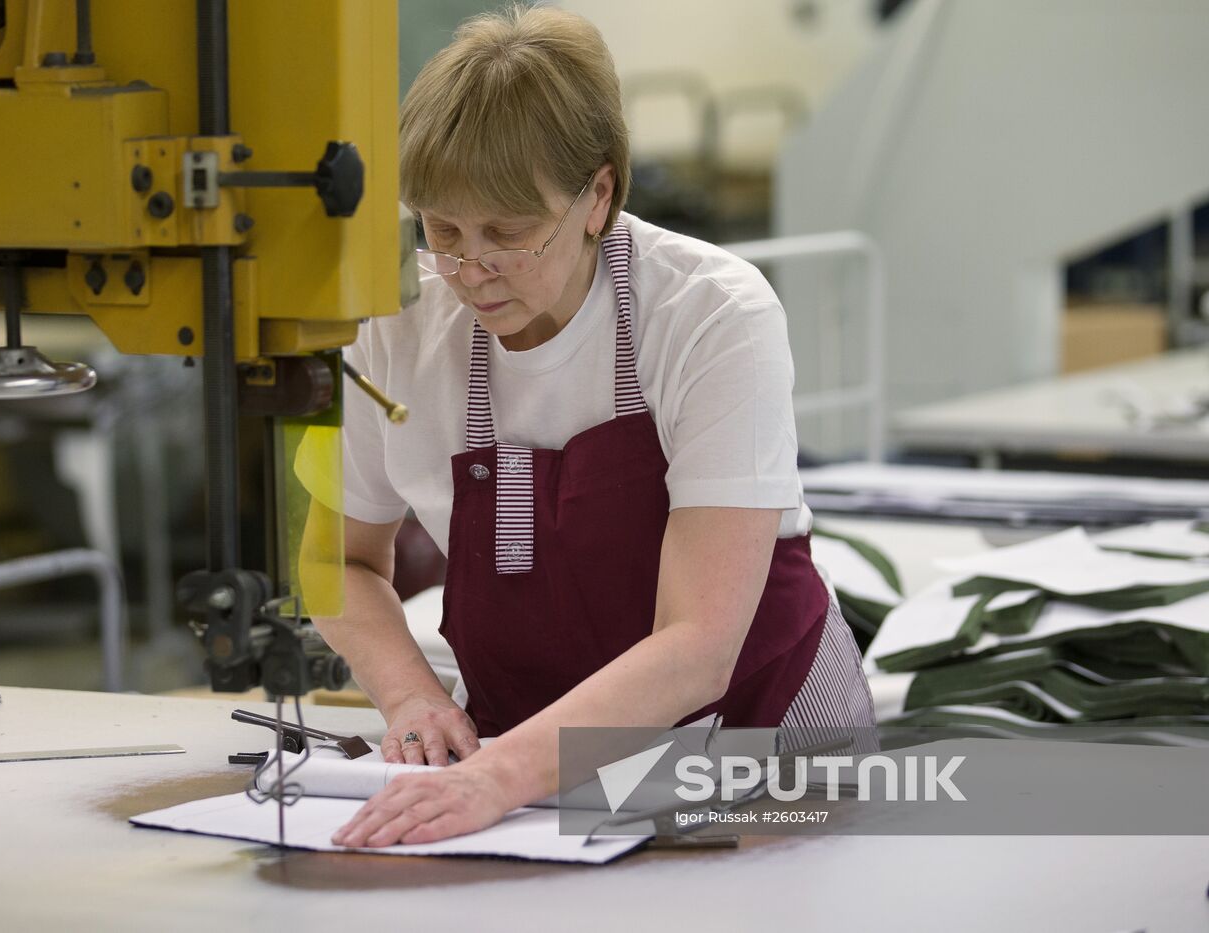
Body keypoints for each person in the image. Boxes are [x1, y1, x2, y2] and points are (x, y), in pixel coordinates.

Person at [314, 4, 874, 849]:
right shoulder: (393, 330)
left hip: (754, 742)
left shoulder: (712, 312)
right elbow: (332, 556)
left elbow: (697, 645)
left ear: (597, 195)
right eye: (442, 230)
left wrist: (499, 777)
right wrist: (411, 696)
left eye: (508, 233)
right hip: (528, 769)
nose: (470, 270)